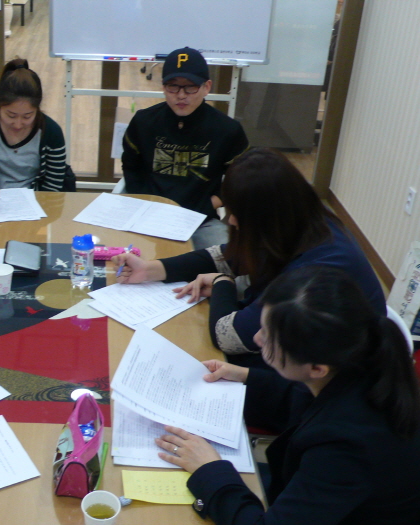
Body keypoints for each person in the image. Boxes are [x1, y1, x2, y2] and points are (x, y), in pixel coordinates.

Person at [154, 266, 420, 524]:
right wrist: (244, 375)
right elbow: (303, 400)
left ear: (317, 368)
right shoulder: (359, 364)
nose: (257, 338)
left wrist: (208, 469)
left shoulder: (347, 446)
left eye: (269, 337)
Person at [113, 148, 385, 363]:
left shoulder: (315, 272)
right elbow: (229, 256)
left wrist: (221, 283)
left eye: (237, 213)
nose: (231, 220)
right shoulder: (301, 221)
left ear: (265, 215)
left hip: (322, 379)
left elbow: (228, 336)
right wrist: (150, 269)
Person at [122, 46, 249, 250]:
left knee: (228, 256)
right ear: (163, 87)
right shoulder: (144, 122)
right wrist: (145, 202)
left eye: (190, 87)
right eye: (173, 87)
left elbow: (243, 178)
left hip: (200, 221)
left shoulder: (227, 130)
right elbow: (131, 166)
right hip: (148, 217)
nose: (181, 96)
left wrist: (213, 202)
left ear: (207, 87)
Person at [0, 58, 67, 210]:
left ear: (37, 109)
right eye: (11, 115)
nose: (18, 124)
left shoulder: (51, 132)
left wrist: (34, 206)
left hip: (33, 205)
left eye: (27, 116)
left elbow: (53, 186)